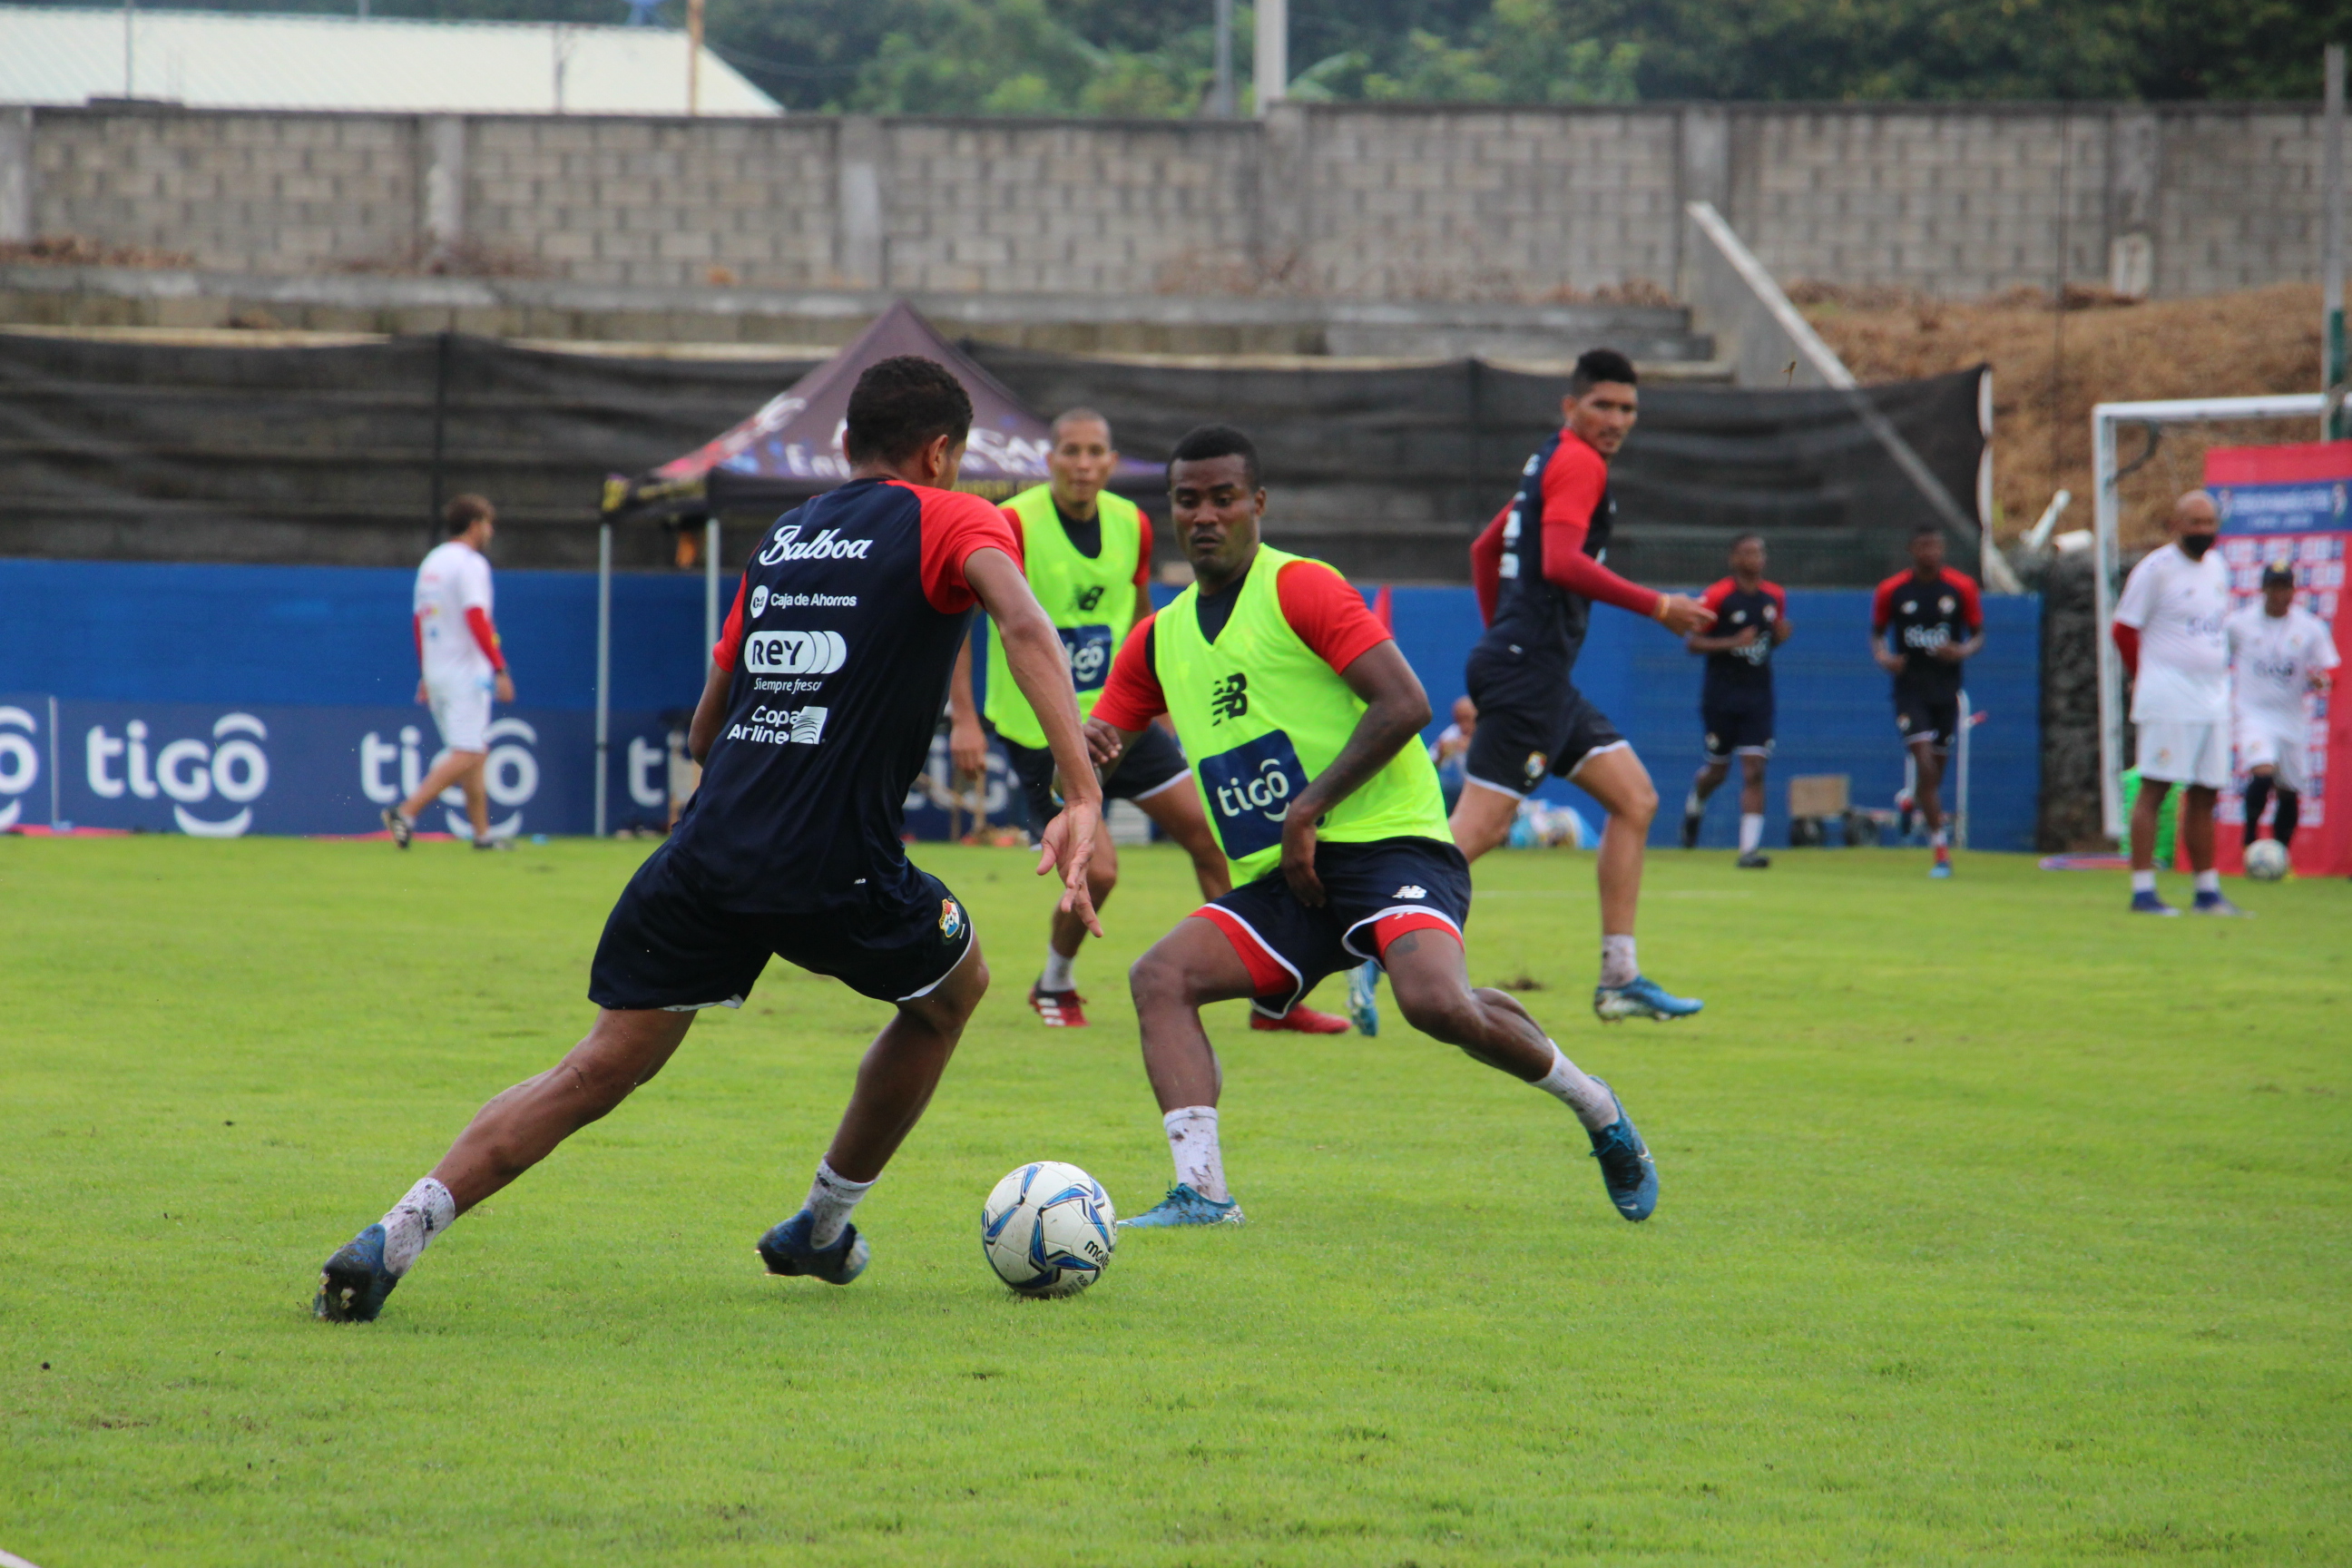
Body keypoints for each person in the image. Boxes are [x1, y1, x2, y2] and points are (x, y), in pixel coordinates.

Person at [314, 356, 1104, 1321]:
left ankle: (392, 1234)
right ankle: (821, 1225)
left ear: (846, 444)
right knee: (953, 993)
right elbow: (1023, 624)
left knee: (595, 1068)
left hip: (707, 853)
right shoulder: (956, 518)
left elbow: (704, 729)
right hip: (834, 862)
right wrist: (1080, 790)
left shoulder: (786, 536)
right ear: (941, 453)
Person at [1083, 424, 1658, 1230]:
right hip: (1286, 881)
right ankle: (1204, 1193)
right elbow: (1100, 743)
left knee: (1436, 1004)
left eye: (1223, 498)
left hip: (1392, 848)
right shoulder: (1161, 638)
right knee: (1160, 978)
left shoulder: (1301, 588)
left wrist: (1307, 808)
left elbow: (1406, 703)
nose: (1205, 515)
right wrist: (1076, 785)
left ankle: (1597, 1107)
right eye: (1188, 500)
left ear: (1258, 503)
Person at [945, 409, 1346, 1035]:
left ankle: (1272, 999)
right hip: (1044, 732)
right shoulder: (1013, 523)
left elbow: (1139, 615)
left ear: (1111, 462)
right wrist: (964, 719)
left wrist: (1160, 703)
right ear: (1049, 460)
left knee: (1215, 839)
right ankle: (1054, 981)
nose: (1082, 464)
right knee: (1100, 870)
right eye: (1071, 451)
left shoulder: (1131, 523)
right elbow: (959, 623)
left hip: (1118, 723)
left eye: (1094, 452)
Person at [1453, 348, 1715, 1023]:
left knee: (1635, 798)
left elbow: (1486, 550)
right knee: (1479, 828)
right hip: (1529, 673)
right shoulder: (1579, 462)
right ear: (1571, 406)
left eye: (1628, 408)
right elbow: (1562, 562)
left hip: (1535, 673)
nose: (1617, 419)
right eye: (1603, 405)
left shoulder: (1550, 458)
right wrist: (1659, 605)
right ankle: (1365, 939)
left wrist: (1502, 638)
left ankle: (1620, 978)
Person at [2112, 491, 2241, 916]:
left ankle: (2206, 891)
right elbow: (2123, 630)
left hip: (2212, 698)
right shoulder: (2156, 570)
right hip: (2168, 696)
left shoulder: (2218, 567)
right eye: (2194, 523)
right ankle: (2143, 890)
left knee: (2205, 792)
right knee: (2156, 787)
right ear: (2176, 525)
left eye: (2209, 523)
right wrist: (2142, 675)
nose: (2203, 531)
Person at [384, 495, 516, 848]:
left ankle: (482, 835)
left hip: (438, 669)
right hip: (465, 672)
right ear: (474, 526)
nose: (490, 531)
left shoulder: (433, 562)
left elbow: (419, 621)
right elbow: (476, 617)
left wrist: (425, 672)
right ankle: (406, 812)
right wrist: (499, 667)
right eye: (487, 524)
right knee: (468, 751)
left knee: (475, 751)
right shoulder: (471, 564)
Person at [1870, 524, 1984, 879]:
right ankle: (1941, 853)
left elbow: (1977, 634)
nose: (1929, 552)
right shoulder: (1892, 590)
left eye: (1935, 546)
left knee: (1934, 774)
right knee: (1925, 762)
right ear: (1911, 550)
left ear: (1943, 549)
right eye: (1922, 546)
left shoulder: (1961, 587)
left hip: (1946, 690)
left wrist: (1961, 650)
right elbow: (1877, 633)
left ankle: (1910, 799)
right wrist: (1884, 657)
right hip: (1910, 689)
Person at [1680, 534, 1790, 867]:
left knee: (1754, 770)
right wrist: (1731, 642)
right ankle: (1695, 806)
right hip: (1721, 695)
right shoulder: (1718, 596)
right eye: (1747, 552)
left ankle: (1748, 850)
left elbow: (1767, 641)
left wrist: (1780, 638)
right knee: (1717, 771)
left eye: (1759, 552)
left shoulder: (1775, 596)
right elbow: (1693, 643)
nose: (1755, 558)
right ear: (1734, 559)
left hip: (1758, 695)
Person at [2228, 560, 2336, 864]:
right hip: (2252, 713)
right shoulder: (2239, 624)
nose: (2279, 594)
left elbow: (2331, 668)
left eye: (2285, 587)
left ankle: (2281, 855)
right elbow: (2217, 654)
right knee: (2262, 772)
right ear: (2263, 589)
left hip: (2291, 718)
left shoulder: (2310, 627)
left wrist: (2323, 680)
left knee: (2289, 789)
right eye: (2274, 587)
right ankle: (2250, 840)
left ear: (2293, 590)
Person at [1430, 696, 1478, 814]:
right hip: (1468, 793)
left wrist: (1473, 749)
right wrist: (1441, 755)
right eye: (1459, 720)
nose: (1464, 726)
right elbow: (1428, 768)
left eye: (1468, 719)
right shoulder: (1454, 733)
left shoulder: (1491, 733)